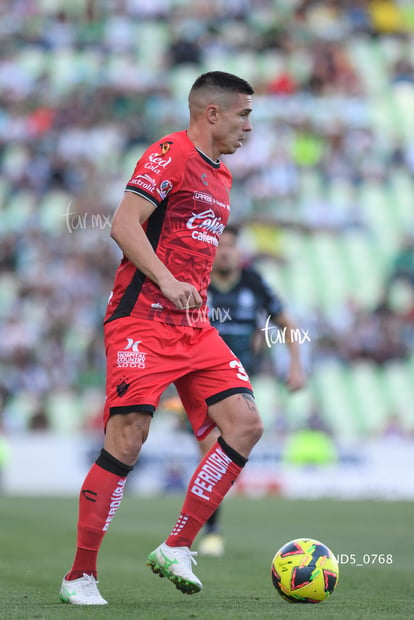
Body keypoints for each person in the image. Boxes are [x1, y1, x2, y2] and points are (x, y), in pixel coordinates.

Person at [59, 70, 263, 606]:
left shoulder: (224, 178)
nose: (250, 126)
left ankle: (179, 544)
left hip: (193, 326)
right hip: (142, 321)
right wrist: (168, 282)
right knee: (128, 438)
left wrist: (190, 290)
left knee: (244, 425)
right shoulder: (168, 153)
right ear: (211, 113)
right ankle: (79, 575)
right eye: (244, 114)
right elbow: (124, 224)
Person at [197, 225, 305, 557]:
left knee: (220, 451)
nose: (226, 251)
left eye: (232, 246)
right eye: (221, 245)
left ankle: (209, 529)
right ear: (211, 250)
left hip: (238, 381)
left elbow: (286, 322)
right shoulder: (198, 282)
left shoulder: (253, 283)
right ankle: (208, 528)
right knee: (210, 454)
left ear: (239, 252)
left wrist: (296, 366)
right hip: (198, 379)